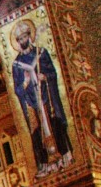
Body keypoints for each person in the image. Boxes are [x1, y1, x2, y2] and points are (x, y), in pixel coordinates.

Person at [10, 19, 72, 176]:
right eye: (20, 39)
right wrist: (25, 82)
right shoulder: (17, 65)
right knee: (37, 132)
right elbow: (17, 90)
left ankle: (65, 155)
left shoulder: (41, 54)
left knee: (54, 124)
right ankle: (44, 165)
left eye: (25, 37)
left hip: (46, 98)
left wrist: (45, 76)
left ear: (30, 36)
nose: (23, 41)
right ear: (17, 42)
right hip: (32, 103)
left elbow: (53, 73)